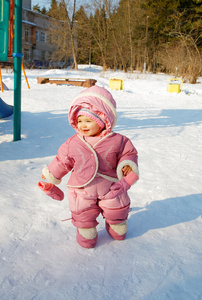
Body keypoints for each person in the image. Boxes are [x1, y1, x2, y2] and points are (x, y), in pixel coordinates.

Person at [40, 85, 139, 248]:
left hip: (111, 186)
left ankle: (116, 224)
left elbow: (129, 153)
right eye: (79, 120)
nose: (83, 125)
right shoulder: (73, 142)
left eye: (88, 120)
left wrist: (127, 165)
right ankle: (86, 231)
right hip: (82, 188)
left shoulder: (118, 140)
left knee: (116, 207)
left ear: (104, 120)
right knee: (83, 211)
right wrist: (52, 173)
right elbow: (62, 160)